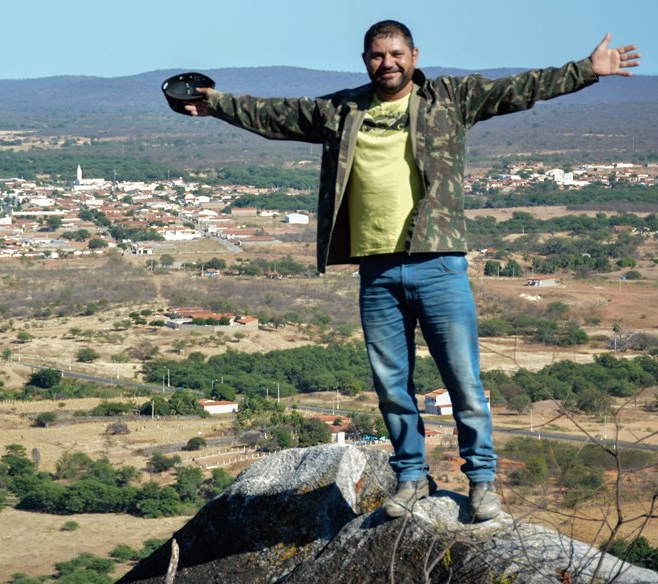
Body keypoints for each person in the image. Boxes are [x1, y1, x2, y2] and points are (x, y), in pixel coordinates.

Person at [181, 20, 640, 522]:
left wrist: (586, 70)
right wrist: (216, 103)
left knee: (463, 382)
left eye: (396, 53)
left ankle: (482, 483)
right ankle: (411, 477)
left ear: (415, 56)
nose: (388, 63)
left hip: (438, 262)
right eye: (378, 55)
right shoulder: (343, 110)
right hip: (376, 270)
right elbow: (276, 115)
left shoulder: (449, 99)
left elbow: (520, 88)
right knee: (392, 386)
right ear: (366, 60)